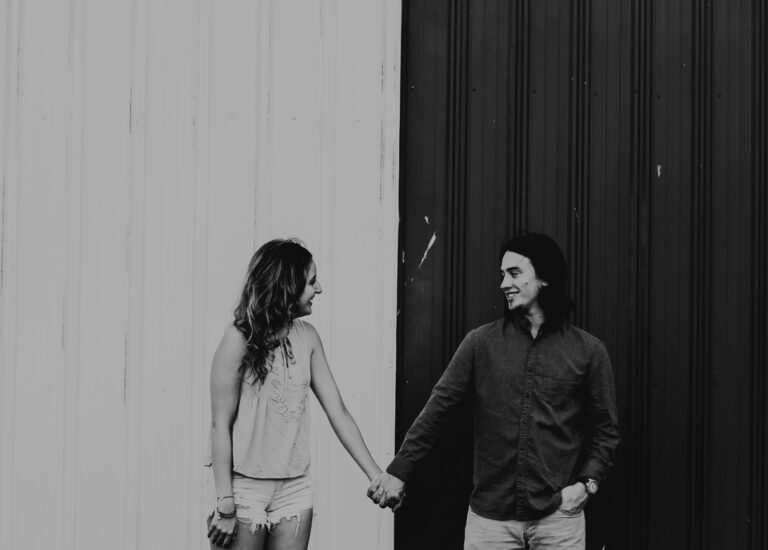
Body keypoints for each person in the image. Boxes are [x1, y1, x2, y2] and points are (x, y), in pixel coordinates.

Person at [368, 232, 620, 550]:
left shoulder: (588, 351)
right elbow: (437, 411)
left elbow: (606, 431)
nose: (503, 283)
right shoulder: (480, 343)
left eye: (514, 273)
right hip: (490, 524)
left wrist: (587, 484)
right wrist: (398, 472)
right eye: (502, 274)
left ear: (545, 277)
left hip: (559, 520)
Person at [206, 238, 386, 550]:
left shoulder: (309, 338)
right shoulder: (237, 339)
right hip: (243, 488)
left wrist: (376, 475)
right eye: (312, 282)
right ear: (287, 287)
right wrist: (225, 503)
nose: (320, 289)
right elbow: (219, 425)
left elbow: (338, 412)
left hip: (294, 490)